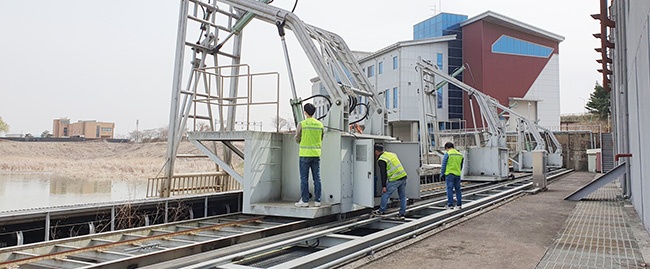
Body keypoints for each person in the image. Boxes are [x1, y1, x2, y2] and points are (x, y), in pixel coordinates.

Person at [294, 103, 324, 207]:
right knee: (317, 178)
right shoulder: (320, 124)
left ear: (305, 112)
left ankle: (305, 201)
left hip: (304, 155)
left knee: (304, 178)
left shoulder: (302, 124)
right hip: (316, 155)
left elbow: (297, 138)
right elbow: (321, 138)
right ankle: (318, 200)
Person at [371, 144, 408, 220]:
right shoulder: (390, 154)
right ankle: (402, 213)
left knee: (385, 193)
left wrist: (384, 186)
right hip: (403, 175)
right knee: (402, 196)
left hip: (395, 178)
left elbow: (383, 174)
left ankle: (381, 211)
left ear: (376, 151)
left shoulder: (382, 160)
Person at [441, 142, 464, 209]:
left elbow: (444, 165)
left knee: (449, 189)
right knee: (458, 190)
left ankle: (450, 205)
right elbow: (461, 165)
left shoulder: (448, 154)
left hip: (449, 174)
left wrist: (442, 174)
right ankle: (459, 204)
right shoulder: (460, 155)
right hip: (457, 174)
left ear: (447, 148)